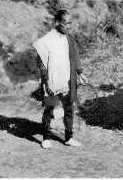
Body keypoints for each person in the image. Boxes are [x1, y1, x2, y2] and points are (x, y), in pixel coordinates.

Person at [32, 9, 86, 149]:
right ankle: (45, 137)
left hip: (67, 79)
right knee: (49, 108)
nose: (68, 26)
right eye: (66, 23)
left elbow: (75, 56)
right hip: (52, 80)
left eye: (70, 23)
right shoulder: (47, 40)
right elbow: (41, 61)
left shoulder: (69, 38)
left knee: (69, 108)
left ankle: (68, 137)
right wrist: (45, 80)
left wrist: (80, 72)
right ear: (57, 22)